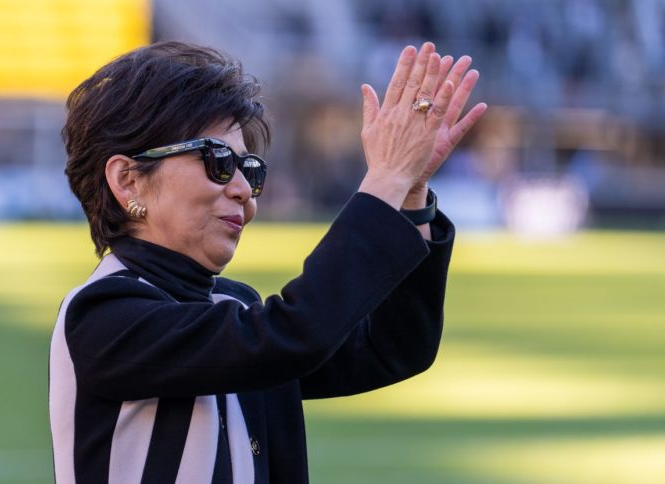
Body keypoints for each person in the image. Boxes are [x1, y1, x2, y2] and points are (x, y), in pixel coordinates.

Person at [50, 40, 487, 483]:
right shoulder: (102, 314)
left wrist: (410, 193)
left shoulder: (232, 304)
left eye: (251, 170)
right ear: (128, 180)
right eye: (217, 161)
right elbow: (294, 333)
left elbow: (392, 348)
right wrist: (384, 181)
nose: (243, 188)